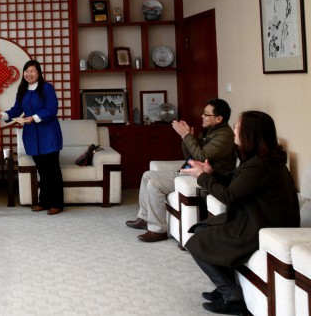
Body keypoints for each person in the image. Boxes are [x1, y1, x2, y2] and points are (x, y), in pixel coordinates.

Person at [182, 111, 299, 315]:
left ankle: (232, 296)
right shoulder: (260, 159)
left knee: (196, 243)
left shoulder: (260, 165)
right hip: (255, 217)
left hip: (261, 225)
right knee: (201, 229)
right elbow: (238, 183)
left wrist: (202, 177)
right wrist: (212, 173)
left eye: (237, 126)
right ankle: (224, 286)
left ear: (249, 133)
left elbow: (230, 197)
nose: (234, 130)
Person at [126, 98, 237, 242]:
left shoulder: (225, 136)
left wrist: (186, 136)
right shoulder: (209, 131)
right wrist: (186, 138)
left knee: (155, 184)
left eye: (206, 114)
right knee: (147, 175)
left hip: (207, 177)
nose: (202, 116)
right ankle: (144, 218)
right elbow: (190, 156)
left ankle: (158, 230)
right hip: (191, 171)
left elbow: (201, 156)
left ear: (219, 118)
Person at [2, 60, 64, 215]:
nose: (28, 74)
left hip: (48, 134)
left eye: (32, 71)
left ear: (39, 73)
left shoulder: (47, 87)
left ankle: (57, 203)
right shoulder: (22, 89)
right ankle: (44, 202)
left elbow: (52, 109)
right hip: (32, 136)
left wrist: (34, 118)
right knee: (42, 170)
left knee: (52, 170)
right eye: (26, 71)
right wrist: (1, 115)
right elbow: (16, 110)